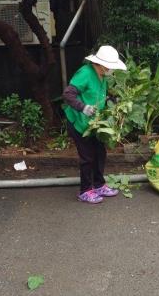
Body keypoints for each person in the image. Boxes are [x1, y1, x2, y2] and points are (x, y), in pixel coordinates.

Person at [62, 45, 127, 204]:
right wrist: (83, 107)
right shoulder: (85, 73)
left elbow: (98, 96)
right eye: (110, 66)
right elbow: (68, 94)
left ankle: (99, 185)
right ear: (101, 64)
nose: (111, 69)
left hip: (95, 124)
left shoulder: (103, 76)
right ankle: (85, 191)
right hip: (79, 122)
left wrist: (110, 101)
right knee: (87, 157)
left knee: (100, 153)